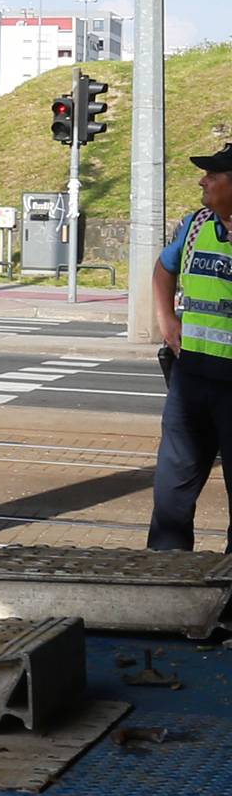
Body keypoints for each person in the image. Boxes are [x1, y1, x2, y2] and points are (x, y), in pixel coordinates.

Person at [148, 146, 232, 551]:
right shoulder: (196, 225)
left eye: (213, 176)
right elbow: (165, 269)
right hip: (191, 381)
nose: (203, 181)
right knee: (170, 501)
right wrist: (167, 322)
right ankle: (165, 583)